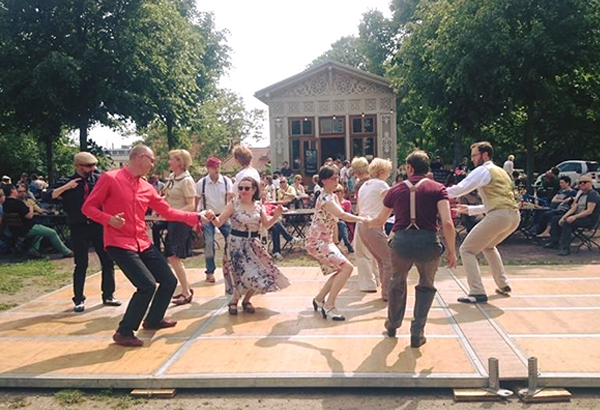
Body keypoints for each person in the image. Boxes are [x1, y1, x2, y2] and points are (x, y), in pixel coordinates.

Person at [82, 145, 214, 347]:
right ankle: (124, 331)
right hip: (119, 243)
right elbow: (88, 208)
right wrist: (108, 219)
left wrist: (197, 216)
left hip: (142, 242)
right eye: (151, 160)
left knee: (168, 281)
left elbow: (169, 212)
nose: (154, 164)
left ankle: (153, 320)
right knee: (146, 285)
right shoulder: (110, 178)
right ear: (140, 158)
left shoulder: (146, 187)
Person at [367, 150, 456, 347]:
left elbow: (381, 219)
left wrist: (367, 222)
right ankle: (417, 332)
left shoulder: (396, 190)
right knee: (426, 286)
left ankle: (392, 324)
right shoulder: (439, 189)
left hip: (401, 243)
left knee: (397, 282)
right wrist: (452, 251)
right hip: (428, 242)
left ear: (409, 168)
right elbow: (447, 223)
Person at [447, 141, 520, 304]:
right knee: (488, 246)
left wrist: (435, 193)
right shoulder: (501, 171)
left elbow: (461, 188)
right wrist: (471, 210)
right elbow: (500, 202)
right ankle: (503, 284)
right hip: (514, 216)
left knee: (466, 250)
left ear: (485, 155)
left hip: (499, 216)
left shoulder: (482, 170)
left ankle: (477, 291)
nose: (472, 159)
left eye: (474, 155)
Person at [210, 176, 290, 315]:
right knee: (238, 274)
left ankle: (246, 300)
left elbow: (266, 225)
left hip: (253, 244)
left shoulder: (259, 206)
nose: (243, 191)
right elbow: (219, 222)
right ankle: (234, 301)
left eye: (247, 188)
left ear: (254, 190)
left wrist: (276, 215)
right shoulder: (233, 204)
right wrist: (211, 217)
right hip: (236, 244)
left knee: (259, 273)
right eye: (240, 188)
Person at [50, 152, 119, 312]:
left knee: (108, 260)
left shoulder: (99, 179)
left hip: (98, 225)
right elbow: (49, 195)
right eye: (88, 166)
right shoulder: (67, 181)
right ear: (78, 166)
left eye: (94, 165)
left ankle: (108, 295)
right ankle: (79, 299)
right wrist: (67, 187)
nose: (92, 168)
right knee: (81, 263)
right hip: (78, 226)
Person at [305, 166, 370, 321]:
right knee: (346, 268)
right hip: (317, 241)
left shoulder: (332, 196)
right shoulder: (326, 198)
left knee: (341, 269)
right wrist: (362, 219)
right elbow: (341, 215)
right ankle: (329, 306)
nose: (337, 181)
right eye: (333, 178)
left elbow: (334, 222)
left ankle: (319, 299)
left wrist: (336, 243)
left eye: (337, 178)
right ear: (324, 180)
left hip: (325, 241)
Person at [160, 149, 198, 305]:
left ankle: (186, 292)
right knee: (172, 256)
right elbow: (166, 196)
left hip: (181, 222)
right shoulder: (172, 178)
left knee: (173, 256)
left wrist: (173, 213)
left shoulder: (187, 181)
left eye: (172, 159)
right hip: (172, 220)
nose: (169, 162)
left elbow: (191, 205)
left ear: (180, 162)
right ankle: (185, 288)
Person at [2, 184, 73, 258]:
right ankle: (66, 252)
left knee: (42, 230)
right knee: (52, 232)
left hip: (14, 230)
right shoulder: (17, 203)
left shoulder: (5, 204)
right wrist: (31, 207)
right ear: (12, 190)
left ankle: (33, 250)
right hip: (27, 229)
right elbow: (29, 216)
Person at [357, 158, 394, 301]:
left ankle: (385, 292)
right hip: (373, 225)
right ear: (382, 171)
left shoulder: (364, 185)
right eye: (388, 170)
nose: (389, 173)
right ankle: (388, 294)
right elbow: (389, 204)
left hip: (362, 225)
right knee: (389, 260)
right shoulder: (381, 185)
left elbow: (359, 208)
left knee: (381, 260)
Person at [196, 156, 234, 283]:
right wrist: (196, 216)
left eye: (218, 166)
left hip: (223, 214)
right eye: (214, 167)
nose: (217, 169)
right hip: (207, 216)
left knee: (231, 240)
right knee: (209, 242)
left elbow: (230, 199)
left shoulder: (226, 181)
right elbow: (197, 201)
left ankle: (231, 266)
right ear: (208, 168)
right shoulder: (201, 183)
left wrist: (229, 213)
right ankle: (210, 271)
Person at [545, 175, 599, 256]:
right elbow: (574, 208)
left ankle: (565, 248)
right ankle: (554, 242)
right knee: (556, 219)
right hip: (579, 217)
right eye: (580, 183)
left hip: (589, 219)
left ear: (590, 183)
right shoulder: (581, 194)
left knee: (568, 222)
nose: (582, 184)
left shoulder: (593, 194)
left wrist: (574, 217)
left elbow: (589, 211)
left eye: (584, 182)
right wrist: (563, 217)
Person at [351, 157, 378, 293]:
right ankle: (377, 279)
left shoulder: (360, 185)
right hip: (376, 219)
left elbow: (359, 206)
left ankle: (368, 283)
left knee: (361, 252)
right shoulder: (376, 182)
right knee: (374, 252)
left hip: (363, 218)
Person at [334, 185, 353, 253]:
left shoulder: (347, 203)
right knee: (339, 223)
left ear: (342, 193)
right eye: (334, 192)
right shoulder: (332, 203)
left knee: (341, 223)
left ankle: (347, 243)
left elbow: (348, 214)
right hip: (333, 222)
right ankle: (347, 244)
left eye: (338, 191)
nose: (336, 193)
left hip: (344, 222)